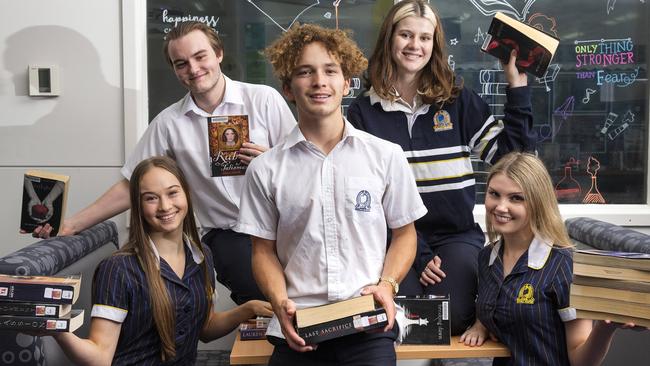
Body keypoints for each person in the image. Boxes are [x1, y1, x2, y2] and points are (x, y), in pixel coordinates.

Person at [33, 21, 296, 305]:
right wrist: (72, 224)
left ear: (218, 54)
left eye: (200, 57)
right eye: (181, 63)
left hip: (283, 223)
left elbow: (301, 166)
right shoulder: (169, 123)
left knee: (307, 296)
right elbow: (132, 184)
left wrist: (271, 161)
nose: (193, 69)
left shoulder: (264, 100)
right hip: (228, 236)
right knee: (267, 304)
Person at [236, 24, 427, 365]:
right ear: (288, 88)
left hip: (368, 325)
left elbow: (405, 235)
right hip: (298, 326)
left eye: (330, 71)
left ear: (346, 83)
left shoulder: (386, 156)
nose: (319, 81)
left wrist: (388, 284)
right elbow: (262, 252)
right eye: (305, 72)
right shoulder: (264, 169)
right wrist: (279, 301)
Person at [346, 0, 536, 335]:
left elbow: (514, 160)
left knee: (454, 317)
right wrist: (417, 252)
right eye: (405, 35)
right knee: (397, 319)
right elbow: (366, 196)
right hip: (394, 238)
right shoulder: (363, 112)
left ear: (435, 45)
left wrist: (517, 89)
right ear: (390, 38)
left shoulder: (457, 99)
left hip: (456, 235)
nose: (414, 45)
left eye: (424, 37)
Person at [49, 156, 272, 365]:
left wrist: (248, 308)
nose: (165, 206)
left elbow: (205, 328)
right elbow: (100, 358)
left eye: (172, 193)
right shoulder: (117, 269)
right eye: (151, 198)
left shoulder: (202, 254)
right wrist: (56, 329)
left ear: (187, 194)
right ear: (138, 206)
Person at [459, 152, 637, 365]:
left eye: (516, 198)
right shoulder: (487, 257)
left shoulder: (563, 265)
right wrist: (482, 324)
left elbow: (582, 361)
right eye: (494, 194)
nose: (500, 207)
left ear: (538, 203)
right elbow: (498, 303)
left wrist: (605, 328)